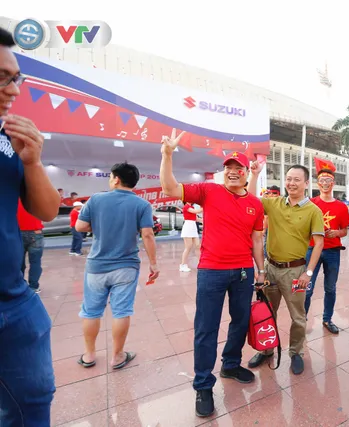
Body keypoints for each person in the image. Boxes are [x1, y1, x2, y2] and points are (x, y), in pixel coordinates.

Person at [160, 132, 266, 418]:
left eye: (238, 169)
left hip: (243, 271)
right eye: (229, 169)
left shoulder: (255, 204)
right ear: (224, 173)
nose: (233, 172)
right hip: (211, 270)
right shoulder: (209, 191)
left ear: (245, 174)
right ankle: (203, 384)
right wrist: (167, 155)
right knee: (206, 327)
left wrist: (261, 270)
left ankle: (231, 364)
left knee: (240, 320)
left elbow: (257, 240)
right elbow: (169, 187)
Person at [0, 28, 61, 426]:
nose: (14, 90)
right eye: (4, 78)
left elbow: (47, 210)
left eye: (16, 78)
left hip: (14, 302)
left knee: (33, 405)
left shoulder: (7, 138)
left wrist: (33, 162)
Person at [76, 162, 159, 372]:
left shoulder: (96, 199)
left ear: (116, 179)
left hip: (97, 266)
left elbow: (80, 226)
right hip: (126, 266)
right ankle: (117, 356)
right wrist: (154, 264)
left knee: (91, 311)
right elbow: (147, 234)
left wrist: (101, 224)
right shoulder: (142, 205)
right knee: (121, 311)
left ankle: (89, 355)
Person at [247, 161, 324, 376]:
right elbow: (251, 200)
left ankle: (296, 352)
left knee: (298, 316)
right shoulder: (275, 203)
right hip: (270, 269)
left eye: (296, 179)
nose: (291, 183)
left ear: (306, 183)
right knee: (266, 313)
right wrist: (254, 174)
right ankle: (266, 349)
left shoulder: (313, 211)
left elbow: (318, 243)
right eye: (288, 179)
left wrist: (308, 273)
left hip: (295, 272)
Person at [304, 163, 349, 334]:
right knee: (306, 287)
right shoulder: (310, 204)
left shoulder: (341, 206)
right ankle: (302, 319)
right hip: (312, 250)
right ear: (317, 183)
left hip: (332, 252)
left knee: (330, 288)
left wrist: (336, 232)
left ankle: (327, 319)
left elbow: (345, 230)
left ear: (333, 183)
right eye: (322, 180)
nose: (325, 183)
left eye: (328, 180)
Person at [17, 199, 45, 294]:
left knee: (18, 263)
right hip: (36, 232)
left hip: (18, 233)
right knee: (35, 262)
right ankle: (34, 286)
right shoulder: (36, 198)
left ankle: (19, 286)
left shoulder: (11, 197)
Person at [179, 201, 203, 272]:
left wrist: (203, 221)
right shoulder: (186, 207)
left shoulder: (192, 207)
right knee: (188, 247)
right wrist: (204, 206)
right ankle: (182, 265)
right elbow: (196, 211)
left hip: (193, 227)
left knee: (198, 245)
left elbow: (196, 218)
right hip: (188, 227)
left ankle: (201, 263)